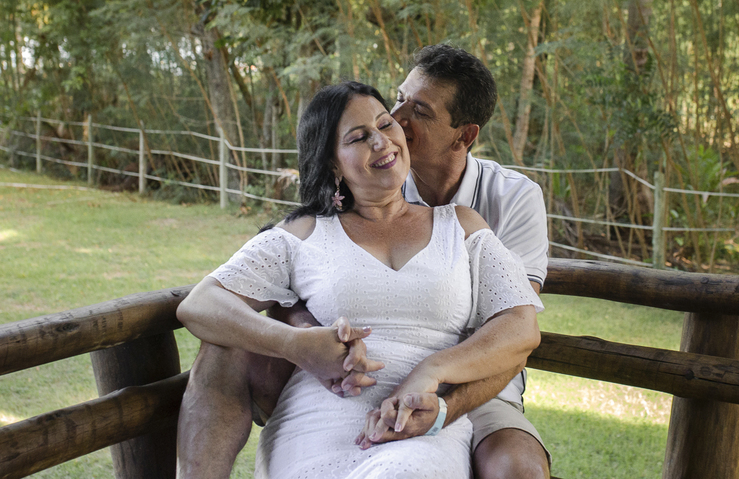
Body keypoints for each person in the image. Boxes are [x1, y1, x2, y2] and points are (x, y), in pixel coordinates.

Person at [177, 45, 551, 479]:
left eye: (389, 123)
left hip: (442, 400)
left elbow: (517, 327)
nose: (389, 134)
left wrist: (433, 386)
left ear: (463, 135)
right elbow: (201, 303)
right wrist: (300, 342)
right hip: (319, 412)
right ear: (333, 165)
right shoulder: (307, 231)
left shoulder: (467, 223)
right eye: (358, 137)